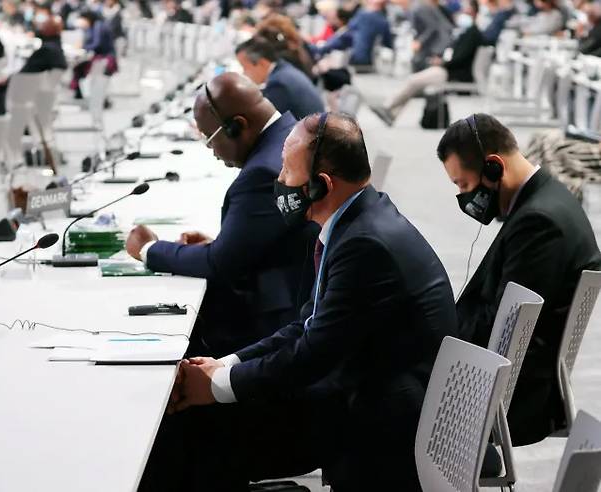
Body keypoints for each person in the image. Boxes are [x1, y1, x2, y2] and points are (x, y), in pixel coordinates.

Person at [137, 112, 457, 491]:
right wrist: (224, 366)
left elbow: (311, 356)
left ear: (321, 185)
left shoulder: (364, 244)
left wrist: (217, 386)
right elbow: (306, 325)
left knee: (195, 427)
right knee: (201, 419)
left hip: (378, 424)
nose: (280, 184)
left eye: (287, 174)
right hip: (361, 392)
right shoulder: (359, 220)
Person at [125, 73, 318, 357]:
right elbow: (274, 235)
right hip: (297, 291)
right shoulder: (287, 136)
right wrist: (227, 241)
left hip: (275, 322)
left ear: (237, 126)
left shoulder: (262, 172)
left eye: (210, 139)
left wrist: (148, 250)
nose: (213, 152)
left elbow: (219, 265)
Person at [437, 113, 601, 445]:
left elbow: (502, 328)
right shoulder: (543, 198)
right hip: (510, 376)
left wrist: (433, 339)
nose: (465, 198)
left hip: (515, 394)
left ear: (494, 167)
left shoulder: (540, 222)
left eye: (464, 185)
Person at [373, 0, 485, 126]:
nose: (462, 11)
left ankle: (387, 107)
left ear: (473, 11)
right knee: (416, 82)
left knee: (414, 81)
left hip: (453, 73)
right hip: (449, 71)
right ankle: (391, 114)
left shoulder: (472, 33)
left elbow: (459, 59)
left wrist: (441, 63)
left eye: (466, 8)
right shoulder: (469, 32)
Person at [236, 36, 325, 120]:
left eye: (245, 67)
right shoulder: (283, 69)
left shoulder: (278, 84)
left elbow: (265, 121)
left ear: (262, 63)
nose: (244, 73)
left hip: (311, 133)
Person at [311, 0, 393, 70]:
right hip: (368, 63)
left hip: (357, 61)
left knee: (345, 36)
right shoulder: (384, 21)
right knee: (348, 36)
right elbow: (388, 43)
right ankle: (320, 49)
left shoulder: (363, 15)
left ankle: (319, 50)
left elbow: (347, 31)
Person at [71, 9, 117, 99]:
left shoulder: (98, 26)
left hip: (105, 58)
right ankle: (80, 92)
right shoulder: (94, 26)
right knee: (79, 66)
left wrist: (83, 47)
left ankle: (82, 93)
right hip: (102, 57)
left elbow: (96, 44)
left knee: (80, 66)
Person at [410, 0, 454, 71]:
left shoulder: (420, 7)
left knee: (420, 63)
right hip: (438, 40)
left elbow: (432, 26)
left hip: (440, 41)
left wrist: (420, 41)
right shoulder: (420, 6)